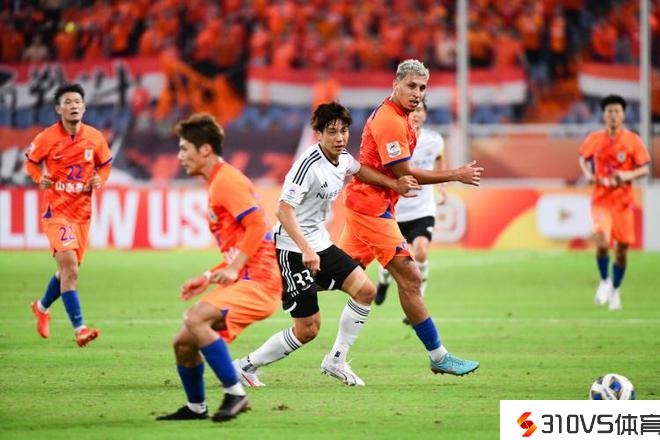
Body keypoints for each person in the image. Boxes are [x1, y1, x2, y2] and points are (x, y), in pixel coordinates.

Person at [234, 102, 420, 387]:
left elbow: (360, 170)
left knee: (366, 290)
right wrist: (306, 250)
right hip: (293, 249)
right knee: (308, 330)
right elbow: (283, 210)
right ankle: (245, 366)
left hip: (320, 243)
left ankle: (336, 360)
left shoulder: (343, 158)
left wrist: (394, 185)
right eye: (332, 132)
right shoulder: (307, 166)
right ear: (318, 134)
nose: (339, 137)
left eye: (344, 131)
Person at [339, 59, 483, 376]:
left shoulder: (401, 117)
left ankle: (281, 277)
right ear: (396, 84)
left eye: (422, 88)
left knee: (332, 274)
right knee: (411, 277)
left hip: (371, 205)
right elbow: (404, 172)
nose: (417, 93)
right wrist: (455, 174)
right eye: (411, 86)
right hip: (370, 208)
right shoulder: (390, 120)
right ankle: (439, 355)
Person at [156, 114, 282, 422]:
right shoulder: (217, 183)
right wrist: (208, 276)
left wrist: (235, 267)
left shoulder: (227, 181)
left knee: (195, 317)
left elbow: (257, 226)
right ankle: (196, 408)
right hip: (247, 276)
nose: (179, 156)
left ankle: (235, 394)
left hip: (260, 280)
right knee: (183, 343)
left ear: (205, 150)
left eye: (184, 149)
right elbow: (240, 245)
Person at [27, 83, 112, 347]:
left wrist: (100, 179)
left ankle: (41, 307)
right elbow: (31, 162)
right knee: (71, 269)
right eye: (68, 102)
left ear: (84, 107)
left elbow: (105, 165)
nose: (73, 106)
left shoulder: (95, 138)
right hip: (56, 212)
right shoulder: (46, 138)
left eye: (77, 102)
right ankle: (80, 329)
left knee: (67, 271)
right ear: (58, 109)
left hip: (82, 214)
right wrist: (39, 177)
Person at [375, 101, 446, 322]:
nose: (415, 114)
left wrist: (442, 188)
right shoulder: (395, 140)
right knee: (391, 260)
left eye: (420, 110)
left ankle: (418, 300)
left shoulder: (435, 140)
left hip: (423, 209)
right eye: (412, 110)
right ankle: (383, 281)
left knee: (421, 251)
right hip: (396, 210)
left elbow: (439, 159)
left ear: (425, 114)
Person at [578, 95, 650, 311]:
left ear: (623, 115)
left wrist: (627, 176)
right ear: (604, 115)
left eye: (617, 111)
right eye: (609, 111)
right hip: (600, 200)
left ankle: (615, 289)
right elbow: (582, 158)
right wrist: (588, 174)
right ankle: (604, 281)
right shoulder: (594, 139)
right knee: (602, 241)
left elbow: (645, 168)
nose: (613, 115)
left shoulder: (633, 140)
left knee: (621, 251)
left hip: (623, 204)